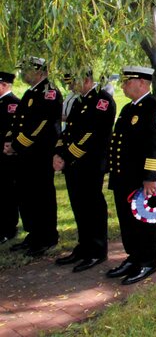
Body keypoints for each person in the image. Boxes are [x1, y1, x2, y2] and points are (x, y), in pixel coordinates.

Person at [105, 66, 156, 285]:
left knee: (145, 221)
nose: (123, 85)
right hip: (124, 177)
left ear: (142, 83)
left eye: (127, 81)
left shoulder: (155, 109)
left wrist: (151, 177)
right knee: (127, 220)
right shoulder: (127, 110)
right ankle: (133, 257)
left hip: (143, 180)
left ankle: (147, 261)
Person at [53, 69, 116, 272]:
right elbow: (69, 130)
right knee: (78, 205)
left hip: (90, 163)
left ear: (87, 79)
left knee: (92, 206)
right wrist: (59, 152)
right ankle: (84, 246)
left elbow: (91, 135)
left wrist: (67, 155)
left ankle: (97, 250)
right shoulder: (80, 100)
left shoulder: (102, 101)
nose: (70, 87)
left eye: (74, 82)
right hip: (74, 163)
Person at [3, 56, 62, 257]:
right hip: (26, 153)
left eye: (26, 70)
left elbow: (41, 125)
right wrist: (10, 141)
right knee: (27, 194)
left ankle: (46, 236)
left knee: (41, 195)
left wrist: (18, 144)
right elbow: (18, 123)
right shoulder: (30, 92)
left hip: (40, 153)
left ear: (39, 70)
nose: (23, 74)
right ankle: (34, 233)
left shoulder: (49, 92)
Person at [0, 71, 22, 244]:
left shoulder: (13, 104)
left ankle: (9, 228)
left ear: (4, 85)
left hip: (6, 155)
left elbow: (12, 130)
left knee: (7, 192)